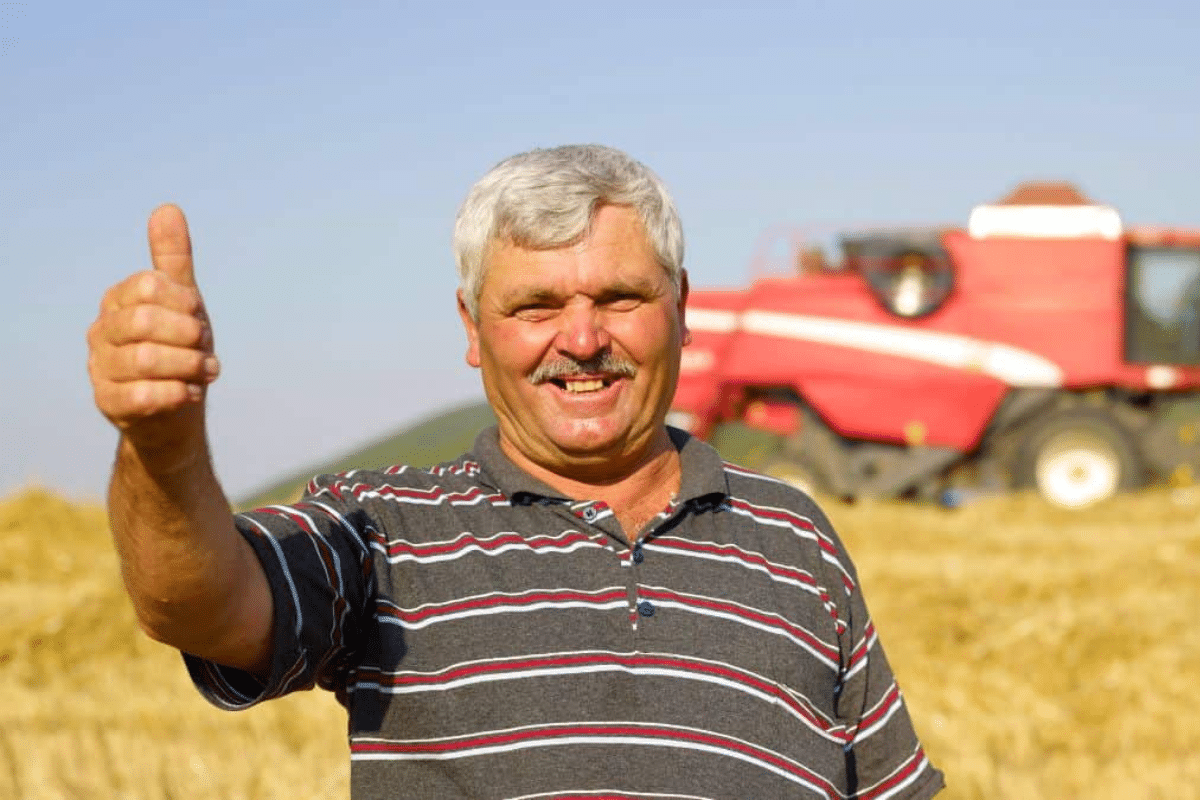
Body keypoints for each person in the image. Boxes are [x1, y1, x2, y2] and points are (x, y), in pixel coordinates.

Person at [88, 144, 945, 799]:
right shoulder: (383, 529)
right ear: (472, 327)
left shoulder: (793, 537)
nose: (582, 339)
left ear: (682, 307)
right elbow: (200, 607)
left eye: (620, 297)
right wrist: (162, 450)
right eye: (536, 305)